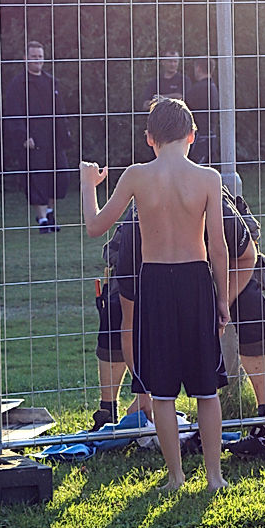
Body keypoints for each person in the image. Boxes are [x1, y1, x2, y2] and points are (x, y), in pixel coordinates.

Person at [81, 96, 230, 492]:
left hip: (155, 285)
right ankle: (215, 477)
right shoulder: (208, 178)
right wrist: (222, 298)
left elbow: (96, 226)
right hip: (197, 281)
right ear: (192, 136)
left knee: (161, 392)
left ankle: (176, 478)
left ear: (150, 139)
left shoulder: (135, 175)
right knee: (205, 388)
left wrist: (87, 185)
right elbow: (218, 247)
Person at [93, 189, 265, 437]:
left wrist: (221, 304)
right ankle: (107, 412)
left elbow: (247, 258)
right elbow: (129, 326)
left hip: (216, 266)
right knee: (114, 310)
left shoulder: (216, 206)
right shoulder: (135, 233)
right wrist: (144, 394)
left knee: (252, 304)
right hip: (154, 272)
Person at [3, 41, 72, 233]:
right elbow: (13, 112)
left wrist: (64, 134)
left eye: (40, 57)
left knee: (60, 176)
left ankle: (50, 212)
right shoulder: (18, 84)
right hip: (33, 141)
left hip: (53, 139)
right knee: (37, 178)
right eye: (33, 57)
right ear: (25, 58)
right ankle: (42, 219)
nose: (37, 61)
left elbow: (60, 110)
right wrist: (24, 136)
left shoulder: (51, 82)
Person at [186, 57, 219, 166]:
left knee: (195, 169)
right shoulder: (213, 87)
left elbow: (183, 106)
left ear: (198, 68)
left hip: (200, 137)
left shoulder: (198, 88)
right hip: (212, 135)